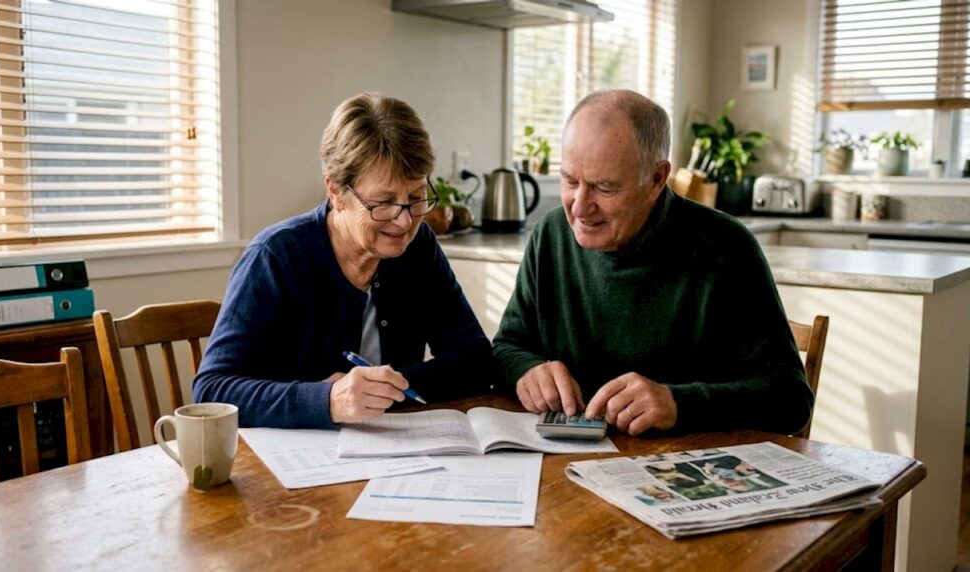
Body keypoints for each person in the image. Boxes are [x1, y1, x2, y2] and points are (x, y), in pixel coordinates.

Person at [492, 89, 812, 436]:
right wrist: (527, 370)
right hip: (567, 470)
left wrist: (678, 403)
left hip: (686, 473)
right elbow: (507, 347)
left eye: (604, 187)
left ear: (657, 179)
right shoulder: (550, 236)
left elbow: (790, 400)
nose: (580, 206)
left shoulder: (726, 248)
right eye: (570, 181)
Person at [193, 92, 493, 428]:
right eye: (383, 202)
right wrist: (327, 400)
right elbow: (211, 392)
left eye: (416, 197)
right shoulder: (276, 256)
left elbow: (475, 360)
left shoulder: (419, 246)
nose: (404, 221)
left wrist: (387, 387)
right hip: (289, 463)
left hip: (395, 450)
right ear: (336, 192)